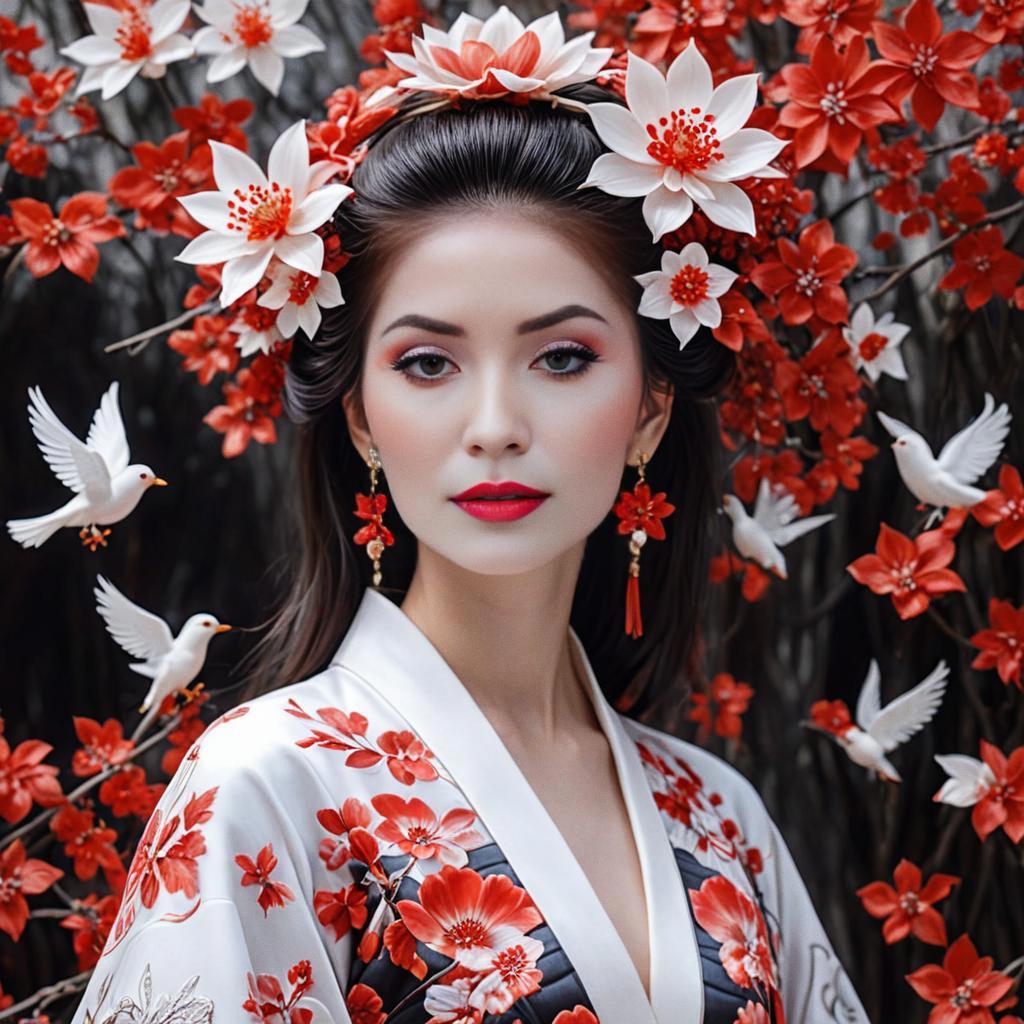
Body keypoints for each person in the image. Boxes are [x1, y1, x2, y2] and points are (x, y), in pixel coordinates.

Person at [69, 13, 871, 1024]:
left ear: (651, 409)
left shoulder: (716, 817)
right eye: (428, 363)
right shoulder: (266, 786)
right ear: (359, 416)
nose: (494, 427)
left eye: (563, 356)